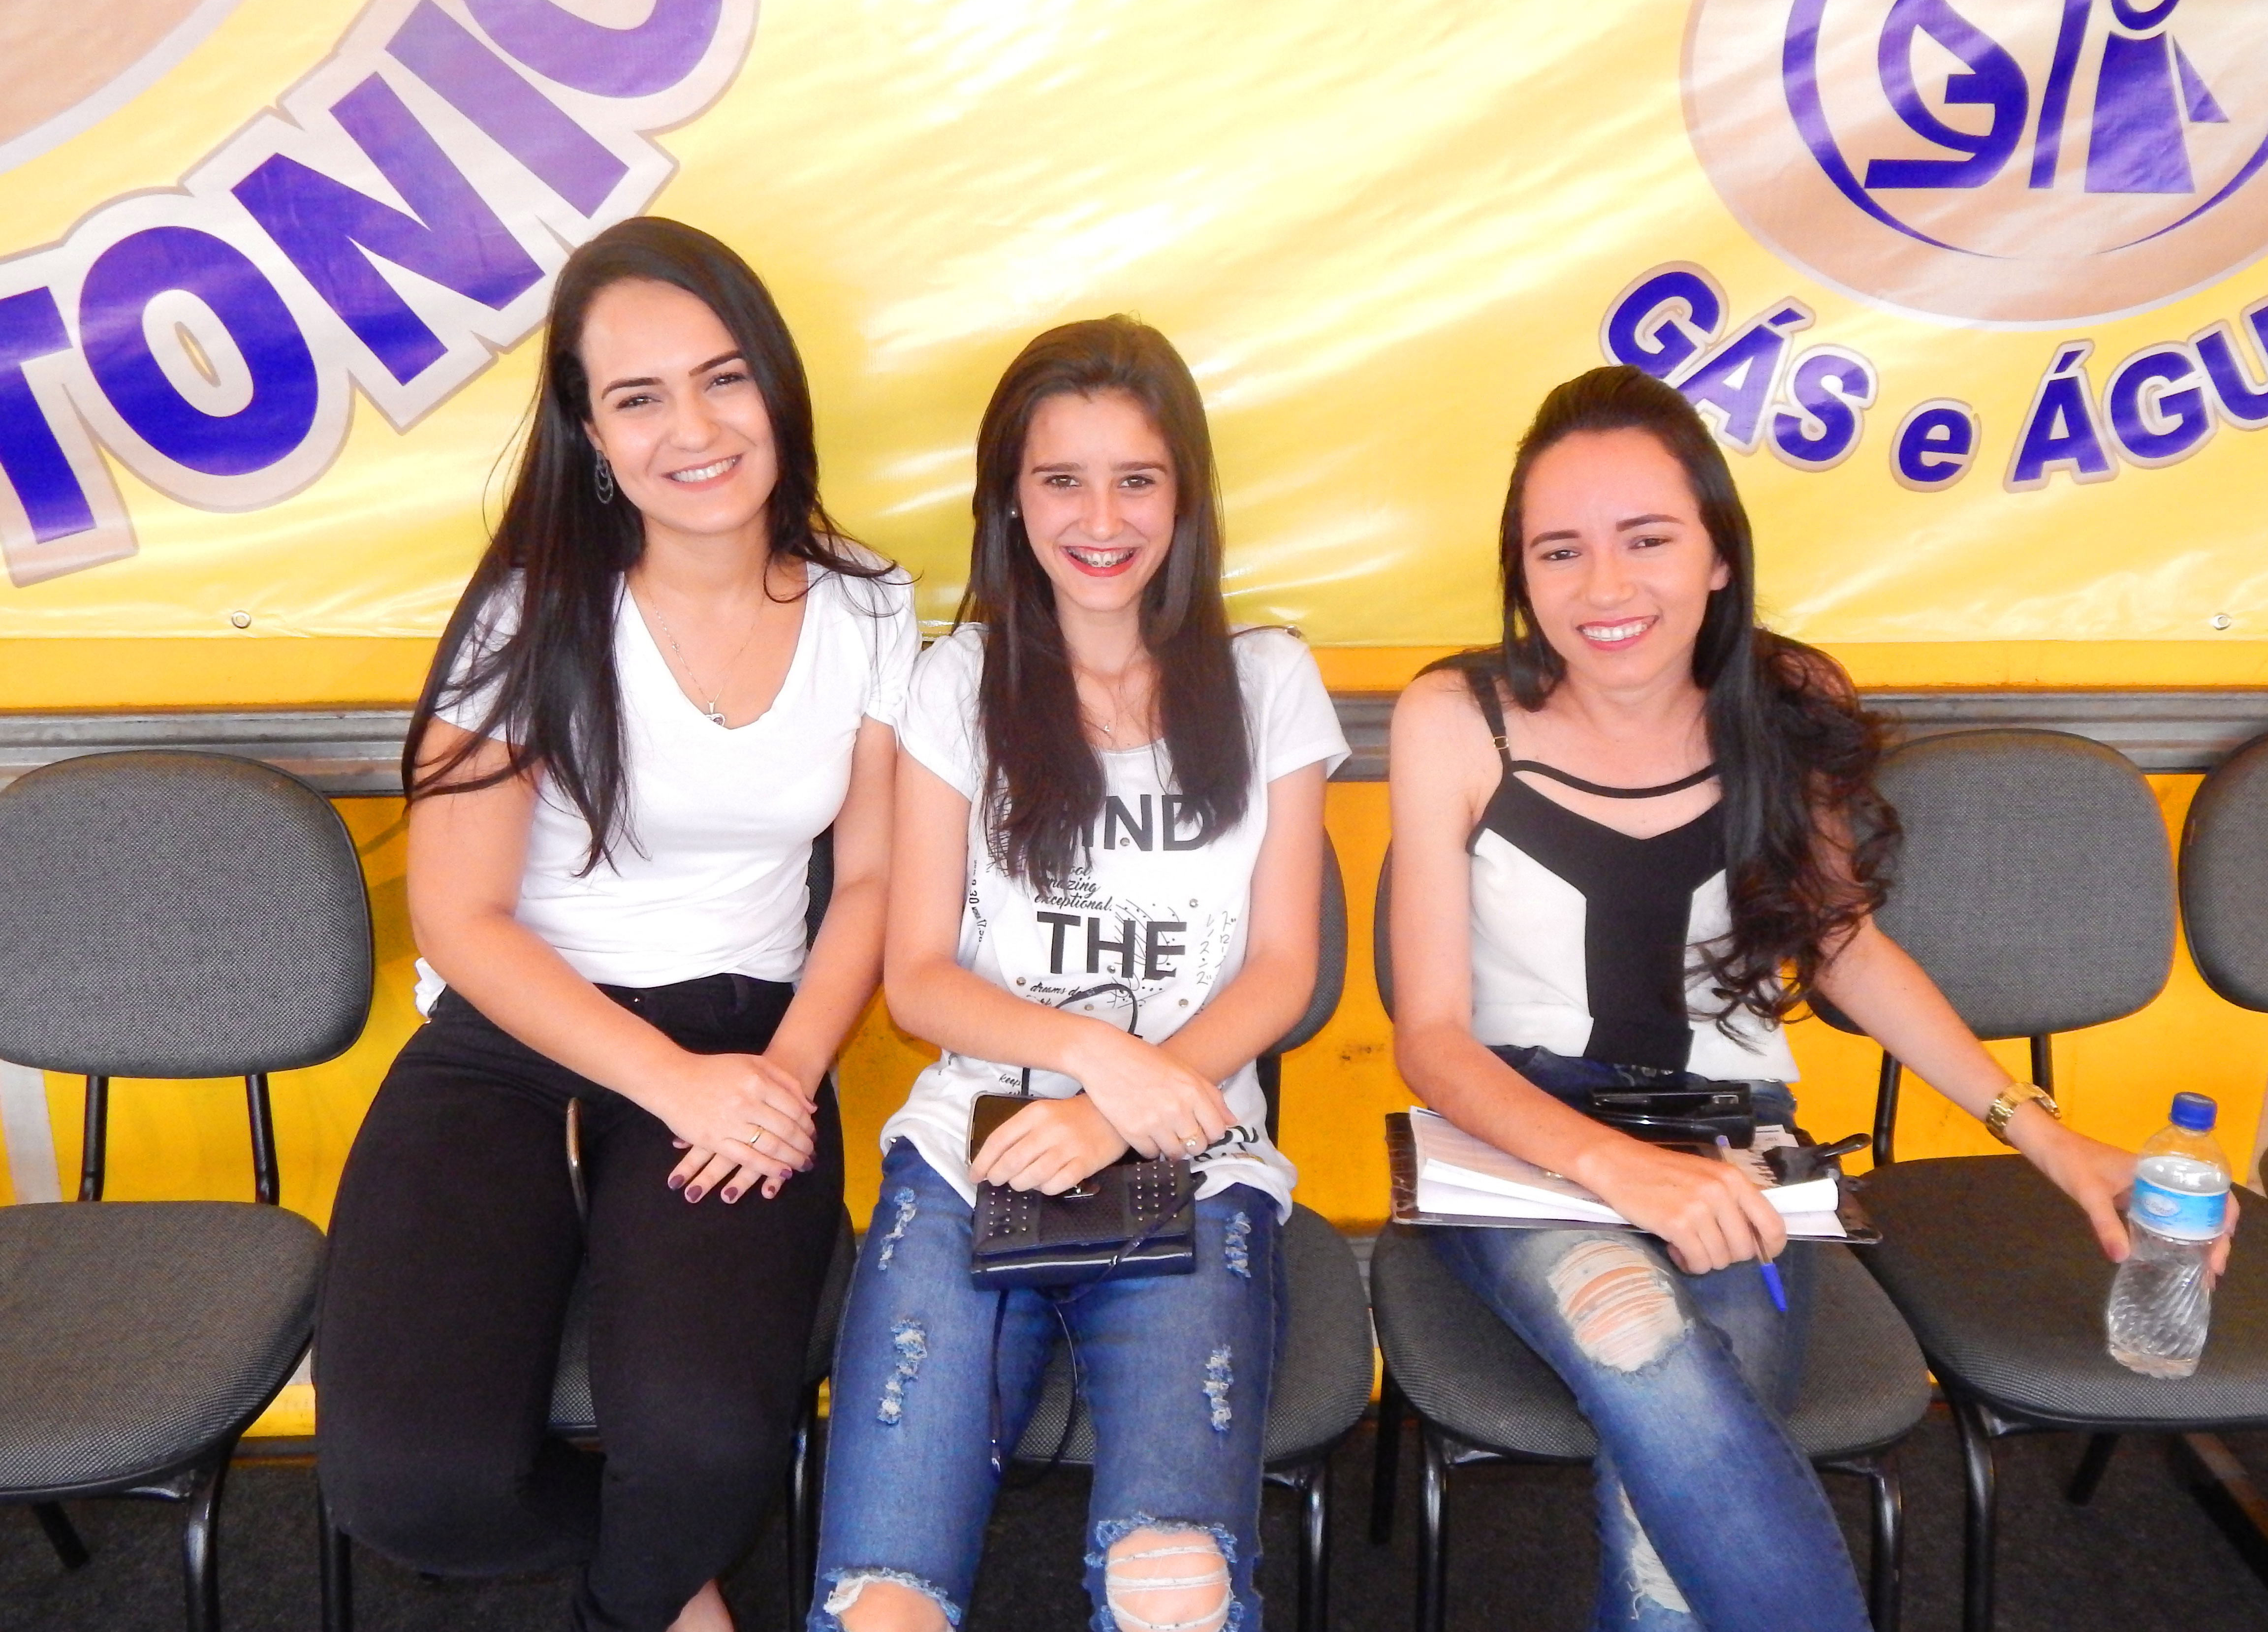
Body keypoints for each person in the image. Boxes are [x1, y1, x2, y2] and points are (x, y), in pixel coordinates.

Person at [1385, 364, 2237, 1631]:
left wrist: (2044, 1136)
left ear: (1720, 554)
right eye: (1560, 551)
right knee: (1637, 1337)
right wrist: (1623, 1175)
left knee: (1673, 1485)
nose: (1604, 588)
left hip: (1733, 1144)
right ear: (1523, 571)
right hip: (1522, 1140)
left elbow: (1847, 950)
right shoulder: (1456, 716)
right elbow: (1433, 1041)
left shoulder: (1789, 707)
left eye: (1647, 539)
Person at [316, 218, 915, 1632]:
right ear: (590, 433)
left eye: (724, 379)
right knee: (409, 1487)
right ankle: (668, 1585)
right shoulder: (528, 614)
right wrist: (665, 1083)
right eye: (640, 398)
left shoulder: (869, 606)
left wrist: (782, 1080)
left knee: (709, 1445)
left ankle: (637, 1589)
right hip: (515, 1033)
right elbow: (462, 918)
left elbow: (873, 886)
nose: (693, 431)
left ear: (777, 388)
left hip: (749, 1031)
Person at [808, 316, 1347, 1632]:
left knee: (1177, 1592)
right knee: (883, 1603)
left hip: (1194, 1158)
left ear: (1187, 496)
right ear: (1011, 498)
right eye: (1062, 480)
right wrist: (1098, 1058)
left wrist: (1119, 1112)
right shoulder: (957, 681)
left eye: (1137, 480)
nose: (1101, 519)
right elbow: (918, 977)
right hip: (970, 1153)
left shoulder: (1268, 680)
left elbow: (1283, 966)